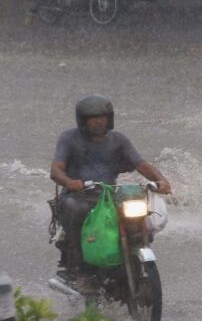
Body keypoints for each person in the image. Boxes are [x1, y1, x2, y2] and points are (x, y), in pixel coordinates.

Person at [50, 94, 171, 290]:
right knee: (77, 210)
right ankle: (76, 271)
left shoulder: (118, 140)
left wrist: (160, 180)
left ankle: (133, 258)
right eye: (93, 117)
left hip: (107, 194)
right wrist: (70, 182)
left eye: (102, 117)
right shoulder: (69, 138)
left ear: (110, 118)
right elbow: (56, 169)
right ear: (83, 120)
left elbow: (140, 163)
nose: (99, 121)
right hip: (78, 196)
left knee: (136, 213)